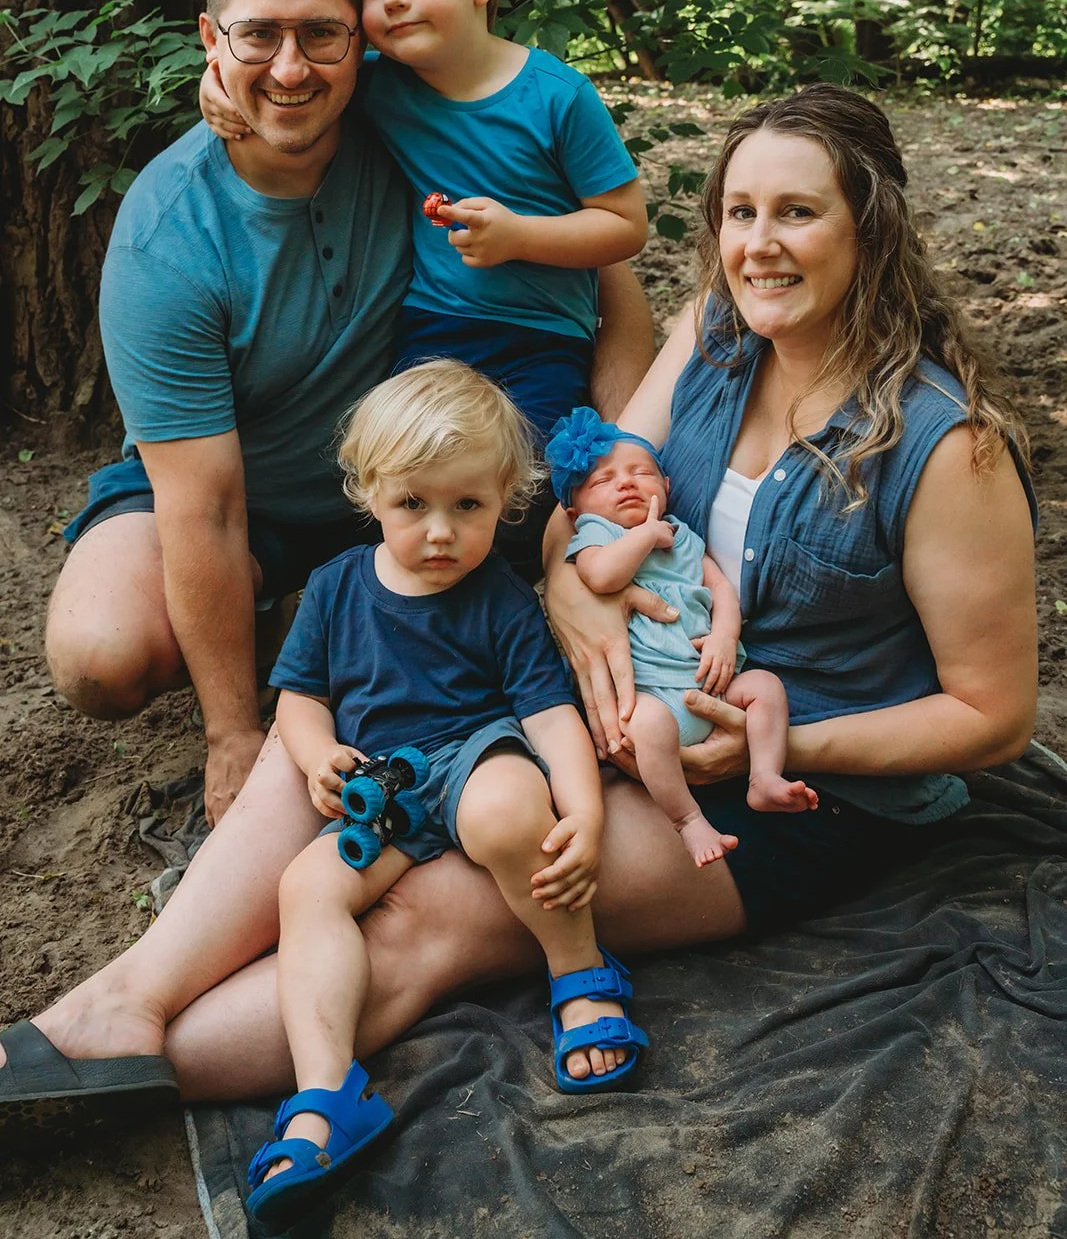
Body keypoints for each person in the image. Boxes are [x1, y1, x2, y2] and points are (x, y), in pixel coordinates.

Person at [0, 84, 1036, 1144]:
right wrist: (560, 586)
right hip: (599, 696)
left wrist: (772, 742)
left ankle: (102, 1092)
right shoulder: (710, 336)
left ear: (869, 222)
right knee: (338, 735)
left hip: (776, 794)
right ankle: (110, 1006)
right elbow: (584, 489)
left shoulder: (948, 448)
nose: (757, 245)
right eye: (738, 211)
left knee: (434, 909)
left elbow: (991, 715)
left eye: (796, 212)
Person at [44, 0, 655, 826]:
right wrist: (232, 737)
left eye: (321, 35)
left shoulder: (404, 119)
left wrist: (611, 464)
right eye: (257, 38)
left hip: (397, 486)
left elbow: (604, 268)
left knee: (537, 522)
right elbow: (202, 503)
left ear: (362, 44)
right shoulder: (167, 238)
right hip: (221, 495)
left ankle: (336, 612)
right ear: (210, 38)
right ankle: (277, 623)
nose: (290, 68)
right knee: (103, 655)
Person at [246, 362, 645, 1233]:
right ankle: (326, 1091)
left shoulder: (497, 595)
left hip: (473, 755)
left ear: (505, 500)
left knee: (507, 806)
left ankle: (579, 971)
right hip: (382, 784)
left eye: (467, 507)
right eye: (413, 505)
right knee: (305, 889)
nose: (439, 532)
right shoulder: (337, 586)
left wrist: (582, 810)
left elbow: (546, 716)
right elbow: (301, 697)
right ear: (368, 493)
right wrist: (316, 757)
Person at [202, 0, 649, 576]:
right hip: (429, 329)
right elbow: (284, 74)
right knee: (406, 474)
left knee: (518, 489)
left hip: (540, 340)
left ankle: (520, 610)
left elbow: (624, 226)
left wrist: (520, 237)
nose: (393, 0)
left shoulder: (557, 96)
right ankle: (384, 608)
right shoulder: (382, 85)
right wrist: (212, 82)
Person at [546, 409, 817, 868]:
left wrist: (725, 636)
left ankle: (765, 777)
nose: (626, 484)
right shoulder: (597, 535)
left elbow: (721, 590)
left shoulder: (685, 537)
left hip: (708, 680)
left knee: (765, 688)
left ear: (667, 487)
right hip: (652, 698)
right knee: (650, 727)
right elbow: (603, 575)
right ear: (574, 513)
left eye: (641, 473)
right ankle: (688, 820)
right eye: (603, 481)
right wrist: (646, 535)